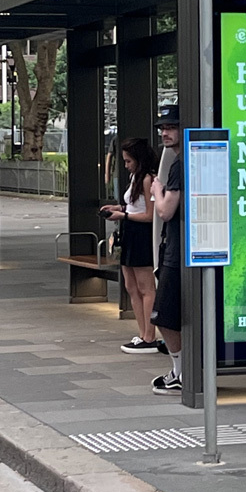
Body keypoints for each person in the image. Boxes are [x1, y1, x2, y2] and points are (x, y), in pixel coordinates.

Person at [103, 138, 168, 355]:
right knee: (131, 286)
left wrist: (124, 214)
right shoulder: (134, 178)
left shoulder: (149, 179)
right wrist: (119, 208)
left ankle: (150, 335)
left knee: (145, 287)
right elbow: (134, 205)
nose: (126, 165)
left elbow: (150, 215)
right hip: (129, 231)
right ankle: (142, 333)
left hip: (142, 234)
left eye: (129, 161)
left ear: (139, 160)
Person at [149, 105, 184, 395]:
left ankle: (180, 371)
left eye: (171, 127)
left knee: (163, 315)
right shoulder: (188, 161)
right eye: (162, 128)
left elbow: (166, 211)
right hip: (191, 248)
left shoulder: (179, 166)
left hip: (177, 253)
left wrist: (157, 190)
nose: (165, 133)